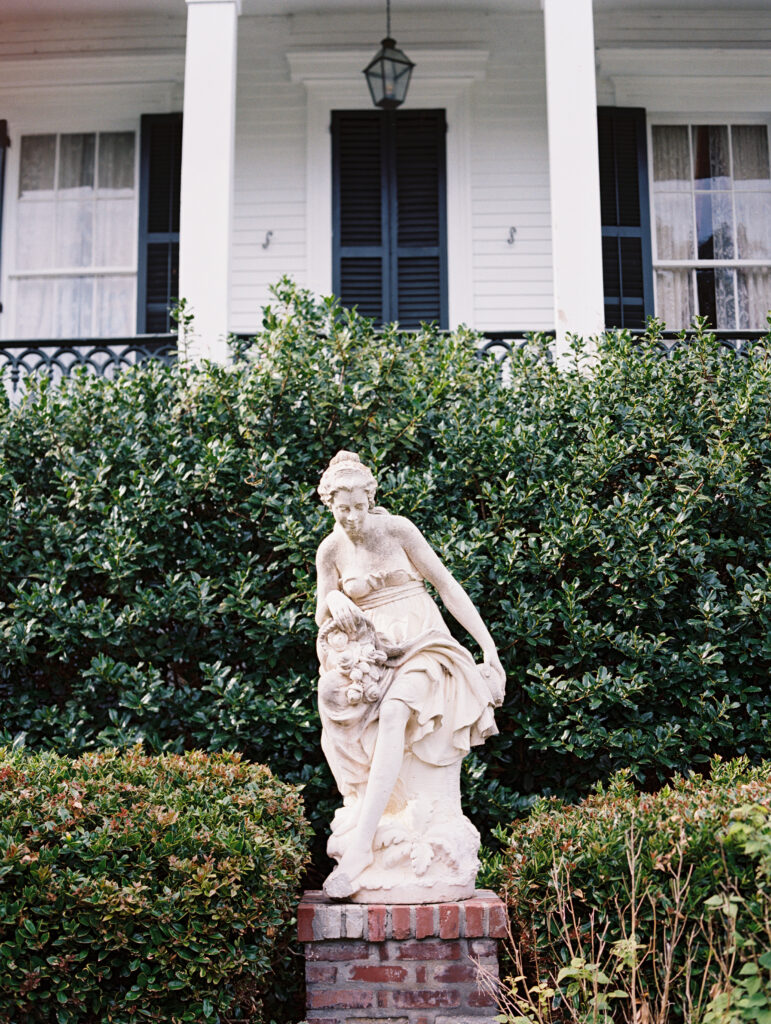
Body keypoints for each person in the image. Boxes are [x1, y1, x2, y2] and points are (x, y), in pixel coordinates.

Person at [315, 451, 505, 900]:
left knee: (397, 710)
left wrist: (487, 645)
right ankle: (369, 817)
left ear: (370, 498)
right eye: (343, 509)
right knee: (336, 703)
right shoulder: (331, 549)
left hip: (422, 640)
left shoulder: (398, 529)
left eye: (359, 506)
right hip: (371, 652)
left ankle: (360, 850)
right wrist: (336, 603)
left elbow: (446, 586)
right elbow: (322, 609)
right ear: (330, 505)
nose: (353, 516)